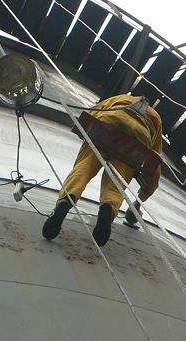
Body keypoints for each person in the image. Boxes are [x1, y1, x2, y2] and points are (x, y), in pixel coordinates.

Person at [42, 94, 163, 246]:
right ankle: (108, 208)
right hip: (138, 137)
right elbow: (155, 157)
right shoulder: (156, 117)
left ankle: (66, 200)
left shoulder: (121, 98)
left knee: (84, 167)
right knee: (116, 183)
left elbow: (95, 111)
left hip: (109, 122)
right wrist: (143, 197)